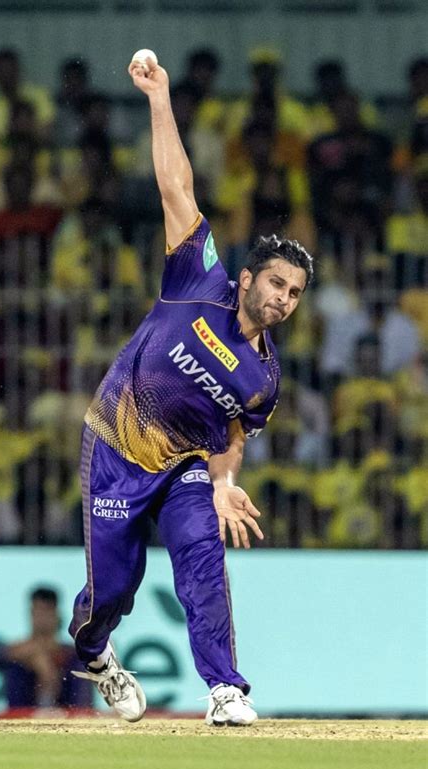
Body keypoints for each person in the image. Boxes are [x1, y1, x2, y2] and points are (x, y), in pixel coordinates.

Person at [69, 52, 313, 727]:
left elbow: (233, 434)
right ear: (245, 278)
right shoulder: (197, 280)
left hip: (183, 466)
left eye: (294, 293)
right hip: (116, 445)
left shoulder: (264, 378)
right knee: (112, 591)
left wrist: (224, 479)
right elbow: (177, 187)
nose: (284, 299)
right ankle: (94, 652)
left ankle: (225, 689)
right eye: (275, 284)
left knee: (203, 560)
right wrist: (158, 98)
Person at [0, 587, 91, 709]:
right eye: (38, 611)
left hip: (68, 715)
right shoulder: (18, 652)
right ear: (31, 614)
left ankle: (82, 719)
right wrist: (36, 658)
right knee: (16, 667)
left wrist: (44, 663)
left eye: (46, 611)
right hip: (22, 716)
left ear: (56, 615)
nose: (42, 618)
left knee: (80, 667)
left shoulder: (71, 654)